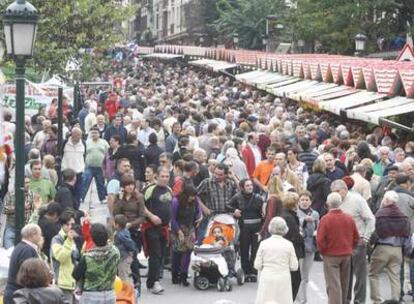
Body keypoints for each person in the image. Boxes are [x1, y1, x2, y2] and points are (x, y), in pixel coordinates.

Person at [331, 179, 375, 304]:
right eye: (333, 192)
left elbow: (371, 219)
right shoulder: (335, 202)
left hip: (358, 242)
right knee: (344, 275)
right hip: (342, 243)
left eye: (337, 191)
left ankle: (359, 300)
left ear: (345, 190)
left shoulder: (357, 200)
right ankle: (346, 300)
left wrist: (365, 238)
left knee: (360, 275)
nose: (335, 194)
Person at [317, 192, 360, 304]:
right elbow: (356, 237)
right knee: (344, 283)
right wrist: (351, 248)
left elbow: (320, 239)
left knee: (333, 284)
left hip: (330, 254)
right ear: (340, 203)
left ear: (328, 204)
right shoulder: (349, 218)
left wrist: (322, 251)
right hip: (346, 253)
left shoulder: (325, 219)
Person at [368, 191, 411, 304]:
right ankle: (395, 299)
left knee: (373, 274)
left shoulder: (380, 214)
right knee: (394, 276)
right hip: (397, 249)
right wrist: (406, 250)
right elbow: (407, 235)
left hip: (382, 248)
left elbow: (374, 232)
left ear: (386, 200)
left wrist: (370, 244)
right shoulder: (403, 216)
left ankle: (376, 300)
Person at [142, 167, 173, 294]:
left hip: (164, 228)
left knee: (161, 255)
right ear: (156, 177)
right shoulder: (149, 189)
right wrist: (151, 216)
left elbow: (170, 206)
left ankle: (152, 281)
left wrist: (170, 222)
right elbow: (141, 205)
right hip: (151, 227)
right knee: (155, 255)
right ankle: (154, 282)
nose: (165, 179)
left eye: (167, 176)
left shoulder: (169, 190)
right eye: (162, 176)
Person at [254, 217, 299, 304]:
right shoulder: (289, 245)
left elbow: (257, 265)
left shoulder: (263, 244)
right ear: (285, 229)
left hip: (267, 277)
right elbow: (294, 266)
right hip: (283, 277)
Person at [72, 223, 120, 304]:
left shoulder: (87, 257)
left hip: (91, 295)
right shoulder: (115, 252)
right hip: (109, 293)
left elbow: (76, 275)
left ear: (93, 239)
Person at [112, 175, 146, 286]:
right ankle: (118, 281)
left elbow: (142, 216)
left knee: (133, 256)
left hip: (133, 228)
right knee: (119, 255)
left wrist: (131, 224)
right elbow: (115, 212)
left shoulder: (139, 197)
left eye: (131, 185)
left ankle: (137, 280)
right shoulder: (119, 197)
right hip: (120, 228)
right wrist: (121, 199)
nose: (130, 187)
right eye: (127, 185)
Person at [227, 178, 263, 281]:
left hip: (257, 227)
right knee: (244, 250)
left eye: (251, 185)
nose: (250, 187)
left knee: (255, 251)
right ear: (242, 187)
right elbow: (227, 205)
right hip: (244, 227)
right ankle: (245, 272)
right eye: (247, 186)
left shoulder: (258, 198)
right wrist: (234, 210)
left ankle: (254, 272)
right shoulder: (237, 197)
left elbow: (263, 213)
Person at [197, 163, 238, 243]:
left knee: (227, 241)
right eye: (215, 173)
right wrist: (204, 208)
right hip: (211, 217)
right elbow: (195, 196)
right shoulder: (207, 182)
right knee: (207, 240)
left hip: (227, 217)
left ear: (226, 174)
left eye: (220, 174)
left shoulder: (231, 183)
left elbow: (241, 193)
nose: (216, 176)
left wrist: (234, 177)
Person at [171, 185, 202, 286]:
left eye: (194, 196)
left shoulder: (195, 200)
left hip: (190, 229)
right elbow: (172, 218)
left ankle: (184, 276)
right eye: (191, 196)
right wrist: (178, 231)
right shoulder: (176, 201)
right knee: (177, 253)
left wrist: (199, 217)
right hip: (178, 228)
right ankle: (175, 275)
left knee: (187, 253)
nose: (192, 198)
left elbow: (198, 211)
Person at [4, 224, 43, 304]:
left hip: (15, 294)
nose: (41, 237)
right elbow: (29, 275)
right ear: (33, 234)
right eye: (40, 234)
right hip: (19, 296)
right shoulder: (27, 250)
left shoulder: (20, 247)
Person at [296, 190, 320, 304]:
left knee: (305, 276)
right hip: (299, 248)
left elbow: (318, 228)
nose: (304, 202)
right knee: (299, 275)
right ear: (298, 202)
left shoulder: (315, 214)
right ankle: (300, 299)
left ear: (310, 202)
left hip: (310, 248)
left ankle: (303, 299)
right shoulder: (296, 213)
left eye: (306, 200)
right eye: (302, 200)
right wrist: (303, 220)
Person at [51, 212, 80, 304]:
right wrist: (68, 241)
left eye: (72, 224)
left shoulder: (73, 238)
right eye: (68, 224)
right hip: (63, 284)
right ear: (62, 225)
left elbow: (77, 256)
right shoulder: (57, 239)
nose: (71, 227)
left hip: (74, 282)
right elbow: (61, 257)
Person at [280, 192, 305, 301]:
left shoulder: (286, 214)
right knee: (295, 279)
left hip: (288, 250)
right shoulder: (289, 217)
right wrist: (301, 236)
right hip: (292, 250)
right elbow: (294, 234)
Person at [3, 177, 36, 248]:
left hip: (27, 228)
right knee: (8, 250)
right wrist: (19, 207)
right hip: (12, 227)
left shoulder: (33, 195)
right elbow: (5, 209)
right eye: (25, 183)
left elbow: (36, 210)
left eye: (28, 182)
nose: (27, 184)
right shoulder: (10, 194)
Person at [81, 127, 109, 204]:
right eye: (92, 133)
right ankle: (81, 197)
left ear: (99, 134)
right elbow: (83, 154)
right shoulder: (87, 142)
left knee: (100, 183)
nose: (94, 134)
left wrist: (106, 167)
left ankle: (102, 198)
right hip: (89, 167)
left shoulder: (104, 142)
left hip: (100, 168)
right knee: (85, 182)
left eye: (95, 133)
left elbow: (107, 154)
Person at [61, 127, 86, 202]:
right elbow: (60, 154)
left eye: (80, 135)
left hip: (78, 172)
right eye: (77, 135)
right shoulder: (65, 143)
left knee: (77, 193)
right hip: (66, 172)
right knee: (67, 193)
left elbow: (84, 156)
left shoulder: (83, 144)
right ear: (72, 135)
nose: (79, 137)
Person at [114, 214, 137, 284]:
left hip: (123, 258)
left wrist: (132, 250)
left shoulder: (121, 235)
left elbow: (129, 243)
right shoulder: (124, 231)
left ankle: (126, 292)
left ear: (117, 225)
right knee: (123, 275)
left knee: (123, 276)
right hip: (123, 257)